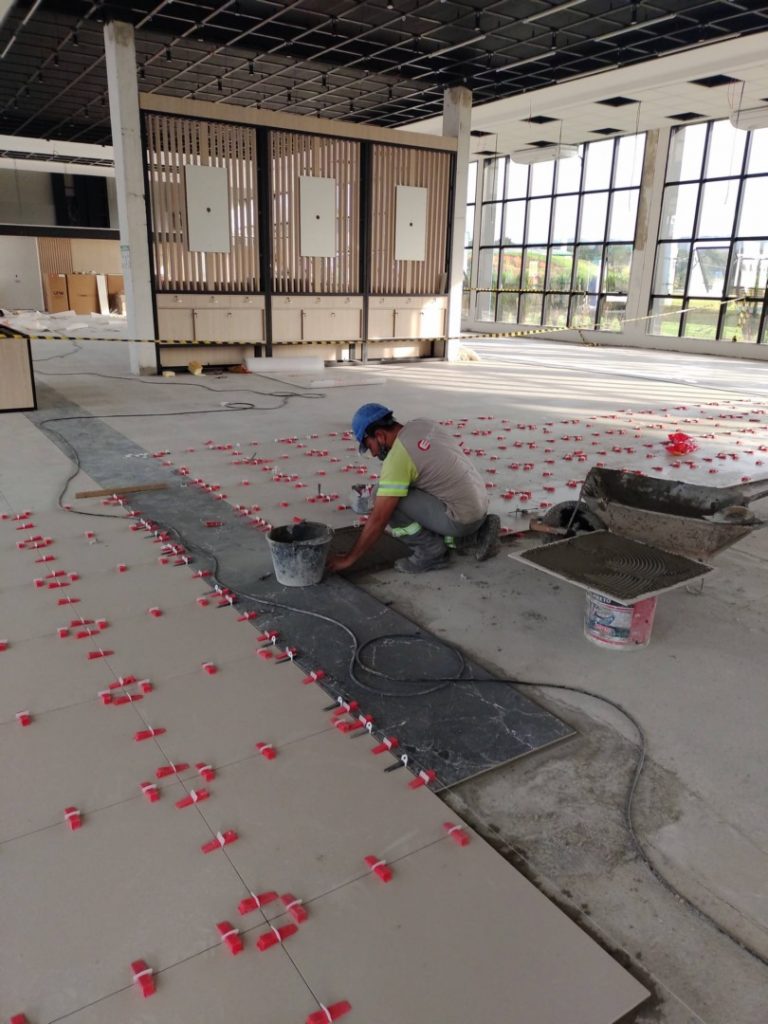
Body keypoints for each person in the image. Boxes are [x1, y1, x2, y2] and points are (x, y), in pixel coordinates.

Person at [326, 403, 500, 574]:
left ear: (379, 435)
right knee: (397, 487)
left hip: (461, 519)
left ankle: (431, 551)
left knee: (384, 498)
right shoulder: (423, 424)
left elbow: (378, 518)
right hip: (478, 506)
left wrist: (349, 558)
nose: (373, 454)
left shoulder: (398, 458)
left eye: (370, 446)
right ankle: (475, 535)